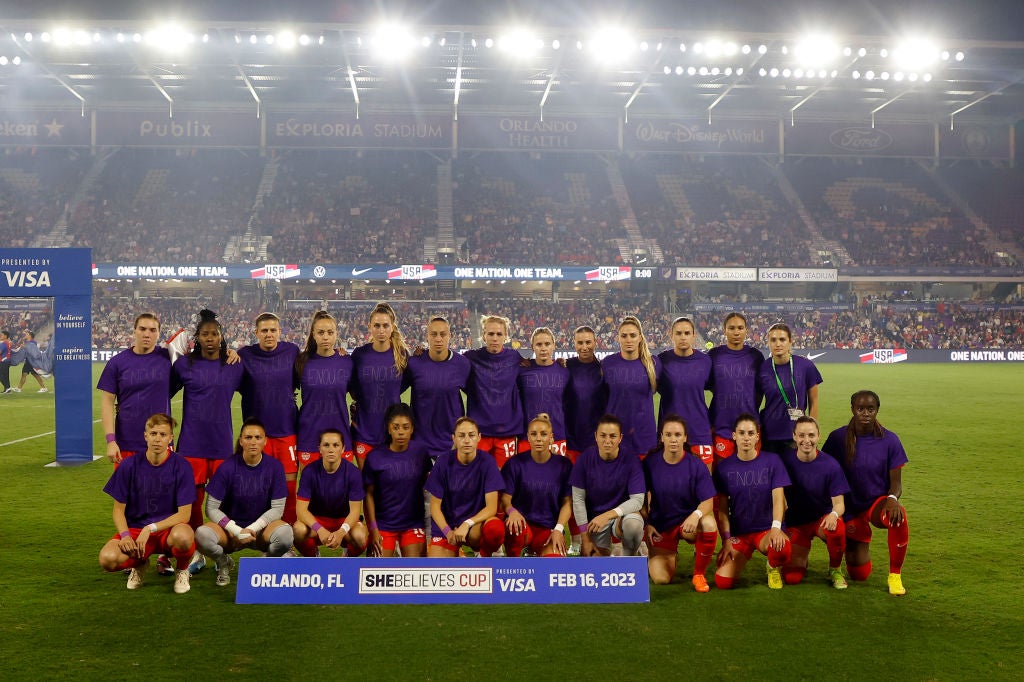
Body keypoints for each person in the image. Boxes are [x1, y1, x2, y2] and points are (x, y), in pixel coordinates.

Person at [821, 391, 909, 596]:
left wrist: (893, 499)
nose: (866, 413)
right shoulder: (837, 437)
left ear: (877, 410)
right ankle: (861, 534)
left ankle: (895, 575)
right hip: (849, 507)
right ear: (852, 409)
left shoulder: (890, 440)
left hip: (876, 503)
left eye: (871, 409)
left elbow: (896, 483)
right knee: (859, 573)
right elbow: (825, 471)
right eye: (860, 408)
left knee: (899, 516)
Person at [97, 414, 195, 594]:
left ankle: (182, 570)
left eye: (163, 435)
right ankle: (140, 564)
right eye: (154, 433)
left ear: (170, 438)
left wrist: (150, 528)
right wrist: (125, 535)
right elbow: (118, 510)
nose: (158, 439)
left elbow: (184, 515)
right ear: (145, 436)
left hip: (168, 531)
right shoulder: (128, 465)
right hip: (136, 531)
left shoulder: (182, 465)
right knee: (107, 559)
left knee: (184, 536)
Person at [170, 310, 244, 538]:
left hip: (221, 443)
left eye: (214, 334)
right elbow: (164, 393)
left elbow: (257, 391)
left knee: (221, 502)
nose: (210, 338)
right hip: (192, 444)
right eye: (205, 334)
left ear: (221, 336)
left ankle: (219, 545)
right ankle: (196, 548)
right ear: (197, 338)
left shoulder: (234, 365)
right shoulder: (183, 365)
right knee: (192, 501)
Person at [195, 419, 293, 587]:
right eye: (248, 437)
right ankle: (223, 563)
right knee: (201, 535)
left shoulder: (275, 467)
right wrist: (236, 530)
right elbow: (211, 508)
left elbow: (278, 509)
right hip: (231, 534)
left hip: (261, 531)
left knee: (286, 536)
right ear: (241, 441)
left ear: (265, 441)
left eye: (257, 437)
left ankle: (265, 563)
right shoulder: (227, 467)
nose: (253, 442)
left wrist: (252, 529)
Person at [713, 414, 792, 590]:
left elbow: (779, 499)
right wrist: (726, 539)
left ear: (758, 436)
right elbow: (723, 510)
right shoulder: (724, 468)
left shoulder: (772, 461)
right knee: (723, 582)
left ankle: (772, 567)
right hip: (740, 533)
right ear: (734, 436)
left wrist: (776, 528)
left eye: (750, 433)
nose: (746, 438)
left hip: (766, 530)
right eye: (741, 433)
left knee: (782, 548)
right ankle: (742, 555)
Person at [643, 416, 718, 592]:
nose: (673, 439)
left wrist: (696, 515)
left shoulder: (696, 464)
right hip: (661, 526)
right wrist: (646, 524)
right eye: (668, 434)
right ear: (661, 437)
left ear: (685, 438)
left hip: (687, 524)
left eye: (678, 434)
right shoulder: (650, 463)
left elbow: (708, 500)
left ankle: (699, 574)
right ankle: (667, 554)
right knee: (661, 579)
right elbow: (639, 499)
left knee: (708, 523)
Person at [238, 312, 301, 524]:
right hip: (257, 436)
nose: (269, 334)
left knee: (289, 491)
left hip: (286, 432)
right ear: (256, 332)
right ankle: (263, 537)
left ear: (280, 331)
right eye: (264, 330)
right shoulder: (244, 355)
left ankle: (289, 537)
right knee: (259, 490)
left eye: (273, 330)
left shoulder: (292, 351)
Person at [780, 416, 850, 589]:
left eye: (811, 435)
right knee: (792, 577)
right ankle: (801, 557)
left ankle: (835, 570)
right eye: (802, 435)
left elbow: (839, 503)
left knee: (837, 529)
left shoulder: (830, 465)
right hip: (796, 523)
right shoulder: (784, 462)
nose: (806, 440)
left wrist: (834, 514)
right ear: (794, 436)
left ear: (818, 436)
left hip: (821, 520)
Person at [425, 417, 506, 557]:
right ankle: (458, 550)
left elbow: (491, 507)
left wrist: (466, 524)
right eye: (461, 436)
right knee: (439, 571)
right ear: (454, 438)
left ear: (479, 437)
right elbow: (435, 507)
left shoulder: (487, 462)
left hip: (474, 526)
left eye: (471, 435)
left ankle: (482, 553)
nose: (467, 440)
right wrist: (447, 532)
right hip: (447, 526)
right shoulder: (443, 462)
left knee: (495, 528)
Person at [569, 414, 646, 557]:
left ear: (620, 438)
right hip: (595, 521)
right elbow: (578, 499)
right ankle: (603, 551)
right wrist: (584, 537)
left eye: (612, 436)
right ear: (596, 436)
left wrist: (608, 515)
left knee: (633, 526)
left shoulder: (630, 459)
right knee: (595, 565)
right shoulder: (584, 460)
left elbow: (638, 500)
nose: (607, 441)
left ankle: (629, 558)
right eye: (603, 436)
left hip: (621, 516)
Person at [362, 403, 432, 558]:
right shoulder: (375, 457)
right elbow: (368, 495)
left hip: (413, 525)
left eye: (406, 427)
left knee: (415, 574)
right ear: (388, 428)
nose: (401, 432)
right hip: (384, 525)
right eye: (396, 427)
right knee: (376, 574)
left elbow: (430, 486)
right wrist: (373, 528)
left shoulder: (420, 452)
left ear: (412, 429)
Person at [501, 413, 573, 557]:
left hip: (548, 528)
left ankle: (538, 550)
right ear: (528, 437)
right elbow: (505, 499)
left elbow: (568, 503)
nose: (538, 438)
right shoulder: (514, 464)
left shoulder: (564, 465)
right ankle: (516, 556)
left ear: (551, 437)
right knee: (515, 529)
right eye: (534, 434)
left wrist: (559, 529)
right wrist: (511, 511)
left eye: (543, 434)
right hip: (522, 527)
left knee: (553, 564)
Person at [350, 302, 410, 469]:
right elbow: (352, 387)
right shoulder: (359, 355)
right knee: (367, 485)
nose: (381, 330)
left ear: (392, 327)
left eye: (385, 325)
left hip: (392, 432)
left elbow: (405, 384)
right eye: (376, 325)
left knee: (390, 486)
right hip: (364, 430)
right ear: (369, 326)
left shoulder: (402, 355)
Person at [293, 428, 369, 557]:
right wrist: (320, 529)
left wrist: (341, 532)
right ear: (320, 449)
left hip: (344, 521)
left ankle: (347, 557)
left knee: (360, 536)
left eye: (336, 445)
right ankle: (313, 556)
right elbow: (301, 511)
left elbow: (355, 512)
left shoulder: (353, 473)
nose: (331, 449)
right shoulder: (309, 471)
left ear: (343, 449)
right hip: (317, 521)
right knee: (297, 530)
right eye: (326, 445)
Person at [405, 315, 470, 461]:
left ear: (450, 336)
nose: (438, 339)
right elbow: (394, 390)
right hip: (420, 444)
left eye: (443, 334)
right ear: (427, 336)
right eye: (433, 334)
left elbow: (476, 396)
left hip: (452, 443)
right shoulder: (414, 363)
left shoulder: (462, 364)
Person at [295, 311, 355, 468]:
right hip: (309, 436)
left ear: (336, 334)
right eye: (320, 332)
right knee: (311, 490)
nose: (325, 337)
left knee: (341, 490)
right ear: (313, 334)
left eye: (330, 332)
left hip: (340, 436)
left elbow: (358, 394)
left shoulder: (347, 362)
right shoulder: (301, 361)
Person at [464, 314, 524, 468]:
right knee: (478, 478)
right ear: (483, 335)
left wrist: (559, 363)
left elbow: (533, 369)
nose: (495, 338)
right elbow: (448, 365)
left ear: (506, 336)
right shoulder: (471, 358)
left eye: (499, 334)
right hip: (479, 433)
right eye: (490, 334)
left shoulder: (514, 357)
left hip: (507, 432)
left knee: (505, 480)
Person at [757, 322, 823, 455]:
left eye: (782, 339)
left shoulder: (806, 366)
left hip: (797, 434)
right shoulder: (763, 368)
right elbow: (756, 402)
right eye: (773, 340)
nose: (778, 344)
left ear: (790, 342)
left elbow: (814, 401)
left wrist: (811, 429)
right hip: (769, 434)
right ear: (768, 342)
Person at [657, 316, 714, 468]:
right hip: (670, 433)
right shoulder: (661, 360)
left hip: (699, 430)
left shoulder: (705, 361)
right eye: (679, 333)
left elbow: (713, 387)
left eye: (687, 333)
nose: (683, 337)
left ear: (694, 335)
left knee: (704, 483)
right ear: (671, 335)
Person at [601, 316, 660, 458]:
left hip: (645, 438)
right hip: (615, 438)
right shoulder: (607, 364)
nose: (628, 339)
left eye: (633, 335)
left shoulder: (654, 364)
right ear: (618, 338)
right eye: (624, 336)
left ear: (640, 337)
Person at [707, 312, 763, 462]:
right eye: (731, 328)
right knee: (721, 475)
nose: (736, 332)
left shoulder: (755, 356)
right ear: (724, 330)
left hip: (749, 427)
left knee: (749, 470)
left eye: (740, 328)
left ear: (746, 330)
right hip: (721, 425)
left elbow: (760, 390)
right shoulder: (714, 355)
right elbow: (707, 383)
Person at [517, 327, 570, 456]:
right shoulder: (522, 371)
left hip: (557, 436)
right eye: (539, 344)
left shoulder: (565, 372)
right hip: (528, 437)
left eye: (547, 344)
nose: (543, 348)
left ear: (554, 345)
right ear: (532, 347)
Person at [564, 325, 606, 464]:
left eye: (588, 342)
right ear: (574, 343)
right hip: (570, 437)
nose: (584, 347)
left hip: (595, 439)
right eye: (580, 343)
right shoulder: (565, 366)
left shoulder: (603, 369)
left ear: (595, 342)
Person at [0, 329, 13, 393]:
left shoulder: (4, 343)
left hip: (3, 360)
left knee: (1, 375)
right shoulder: (9, 342)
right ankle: (7, 389)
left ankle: (7, 387)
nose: (0, 336)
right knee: (6, 375)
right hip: (7, 360)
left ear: (5, 336)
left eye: (2, 335)